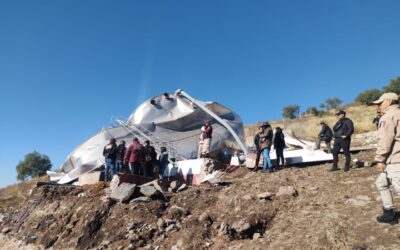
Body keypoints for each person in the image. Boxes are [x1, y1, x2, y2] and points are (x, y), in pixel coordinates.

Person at [373, 92, 400, 224]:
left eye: (380, 103)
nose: (378, 106)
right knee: (381, 183)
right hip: (394, 159)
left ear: (389, 102)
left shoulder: (388, 117)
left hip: (395, 160)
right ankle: (389, 213)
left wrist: (380, 160)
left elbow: (385, 140)